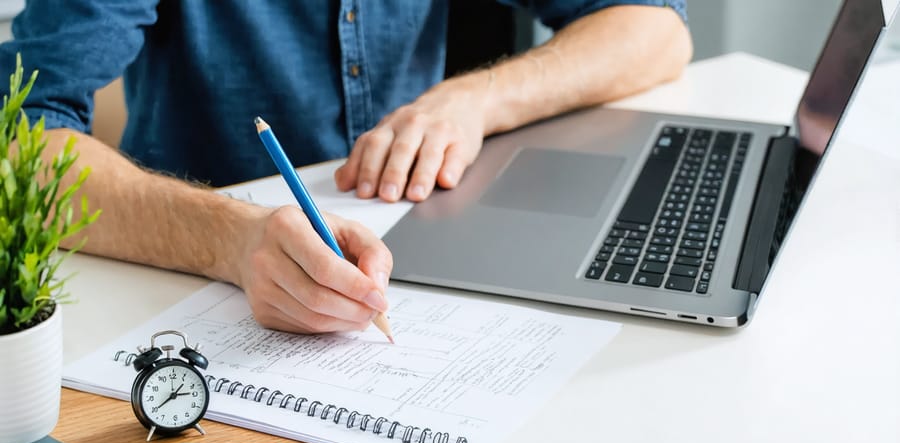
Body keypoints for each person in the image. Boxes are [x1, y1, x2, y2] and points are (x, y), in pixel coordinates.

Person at [0, 1, 691, 334]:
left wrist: (474, 99)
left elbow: (658, 30)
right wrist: (229, 240)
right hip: (191, 291)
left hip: (432, 247)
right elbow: (15, 145)